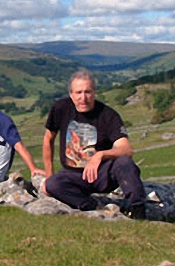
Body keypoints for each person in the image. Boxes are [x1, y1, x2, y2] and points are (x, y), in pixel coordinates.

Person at [42, 69, 147, 219]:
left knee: (125, 163)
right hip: (73, 174)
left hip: (102, 174)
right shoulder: (60, 109)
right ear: (71, 94)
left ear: (94, 93)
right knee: (52, 185)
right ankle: (92, 207)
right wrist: (49, 173)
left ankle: (138, 210)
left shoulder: (108, 115)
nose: (83, 98)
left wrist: (101, 155)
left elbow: (126, 149)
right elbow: (48, 139)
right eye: (78, 93)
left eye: (88, 92)